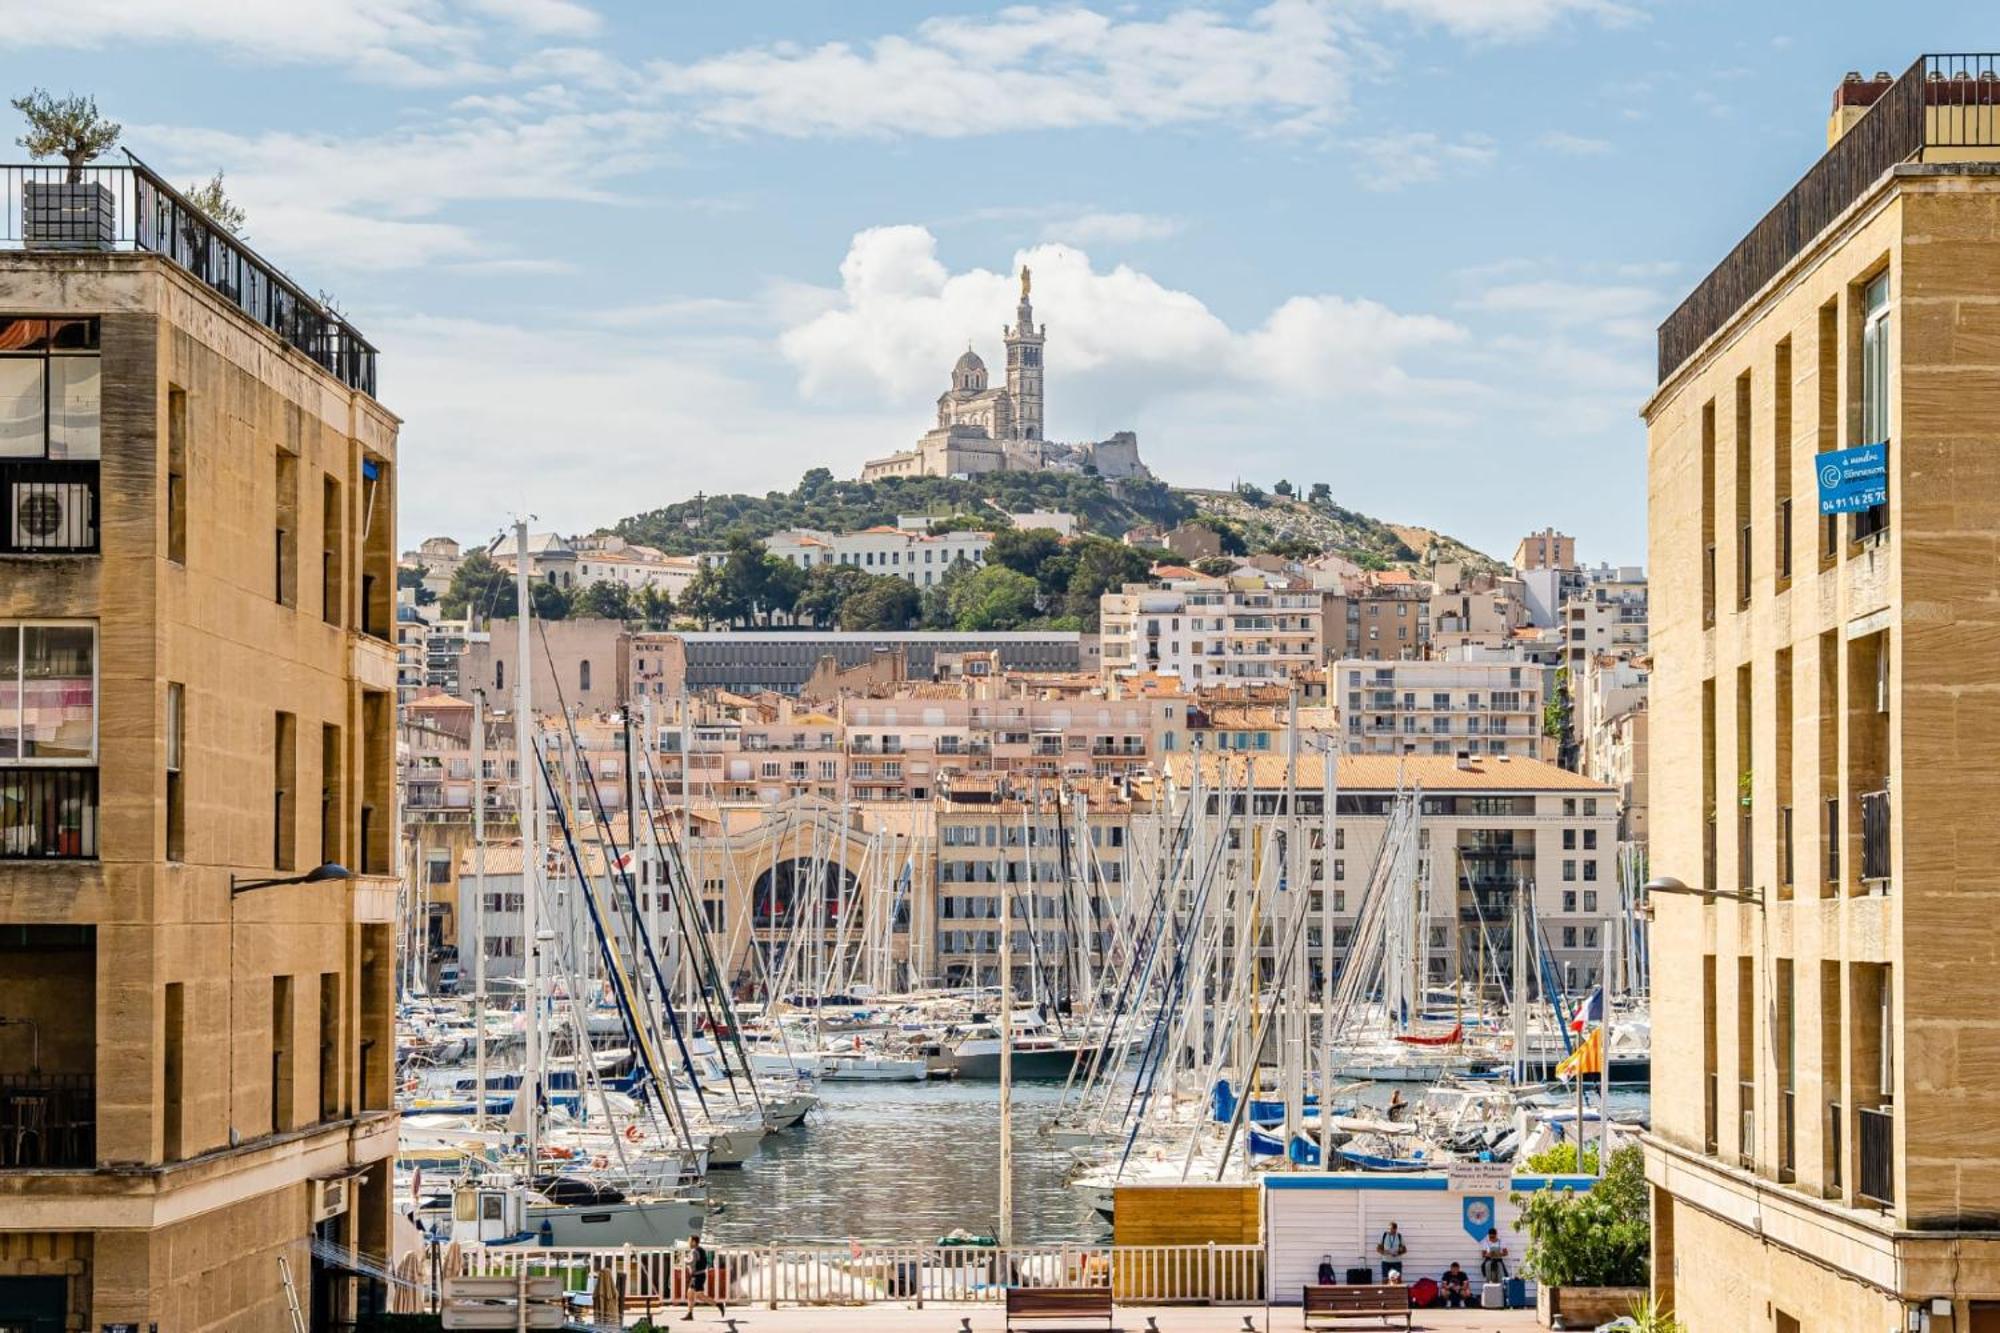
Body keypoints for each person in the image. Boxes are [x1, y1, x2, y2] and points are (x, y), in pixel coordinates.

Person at [681, 1225, 725, 1322]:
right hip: (697, 1276)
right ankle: (690, 1314)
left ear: (693, 1242)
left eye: (689, 1241)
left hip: (697, 1276)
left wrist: (684, 1259)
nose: (688, 1242)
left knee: (699, 1296)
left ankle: (718, 1304)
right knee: (690, 1294)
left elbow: (691, 1261)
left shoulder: (694, 1251)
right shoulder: (701, 1249)